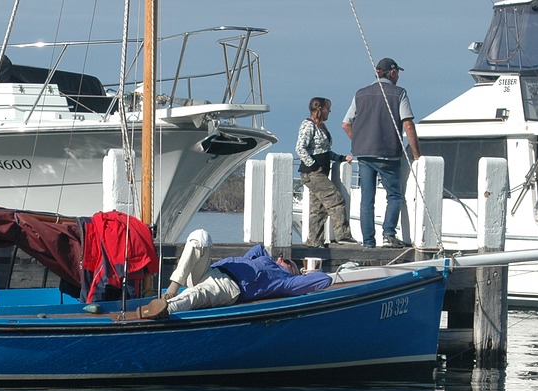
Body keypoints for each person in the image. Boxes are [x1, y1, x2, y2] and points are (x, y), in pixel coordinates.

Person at [137, 229, 332, 318]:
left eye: (287, 262)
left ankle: (165, 308)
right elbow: (258, 248)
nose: (282, 260)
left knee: (196, 295)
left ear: (292, 271)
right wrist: (269, 259)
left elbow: (324, 279)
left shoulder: (283, 281)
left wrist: (305, 273)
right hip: (210, 271)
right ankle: (172, 289)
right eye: (281, 258)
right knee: (201, 237)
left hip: (228, 286)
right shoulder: (262, 260)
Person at [342, 57, 421, 248]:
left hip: (364, 155)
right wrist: (417, 155)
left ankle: (368, 242)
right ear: (392, 73)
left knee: (366, 200)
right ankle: (388, 235)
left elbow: (346, 124)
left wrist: (360, 141)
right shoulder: (399, 93)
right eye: (398, 73)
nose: (398, 77)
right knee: (394, 196)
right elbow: (408, 124)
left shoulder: (360, 94)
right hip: (388, 154)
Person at [295, 96, 355, 246]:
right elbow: (300, 148)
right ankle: (343, 235)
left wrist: (341, 158)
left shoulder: (321, 126)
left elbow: (325, 151)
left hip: (319, 172)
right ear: (319, 109)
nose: (330, 112)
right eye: (328, 108)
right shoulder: (308, 126)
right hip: (313, 173)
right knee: (336, 199)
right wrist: (313, 165)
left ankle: (315, 242)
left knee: (319, 209)